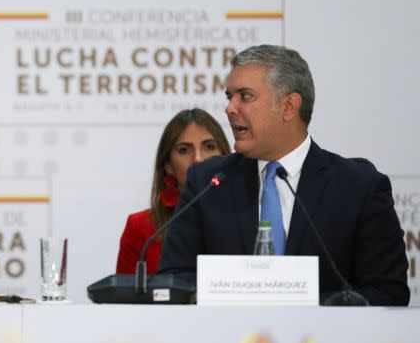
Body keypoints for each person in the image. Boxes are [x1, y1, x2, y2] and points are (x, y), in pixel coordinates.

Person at [158, 44, 409, 306]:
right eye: (229, 96)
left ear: (289, 106)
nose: (230, 109)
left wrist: (308, 307)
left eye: (245, 96)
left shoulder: (359, 188)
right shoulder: (206, 182)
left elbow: (389, 293)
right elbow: (173, 280)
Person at [116, 109, 231, 275]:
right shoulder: (140, 227)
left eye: (209, 147)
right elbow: (124, 298)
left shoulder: (251, 215)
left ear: (225, 157)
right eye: (184, 150)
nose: (198, 159)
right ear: (168, 165)